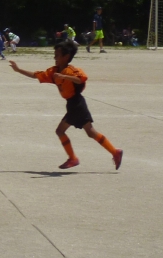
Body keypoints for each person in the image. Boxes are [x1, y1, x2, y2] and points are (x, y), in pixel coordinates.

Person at [10, 42, 123, 171]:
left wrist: (64, 76)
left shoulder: (71, 70)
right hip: (73, 104)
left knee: (61, 131)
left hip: (77, 104)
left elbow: (81, 79)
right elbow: (36, 75)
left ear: (66, 56)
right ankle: (114, 152)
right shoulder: (54, 71)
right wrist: (18, 70)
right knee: (90, 132)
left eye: (57, 55)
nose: (55, 57)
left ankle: (74, 158)